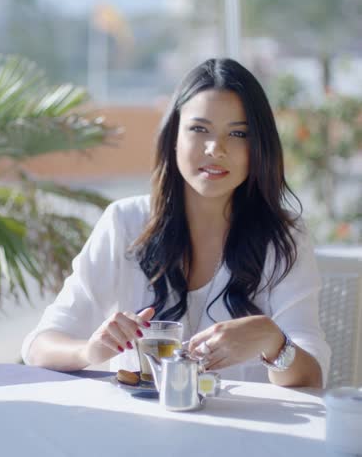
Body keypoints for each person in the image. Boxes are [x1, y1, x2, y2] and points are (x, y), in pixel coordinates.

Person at [22, 58, 330, 388]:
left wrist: (273, 342)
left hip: (240, 435)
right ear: (174, 136)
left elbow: (312, 376)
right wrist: (90, 351)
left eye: (238, 133)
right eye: (199, 129)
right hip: (136, 431)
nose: (216, 149)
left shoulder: (283, 237)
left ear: (258, 148)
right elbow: (39, 345)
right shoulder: (125, 222)